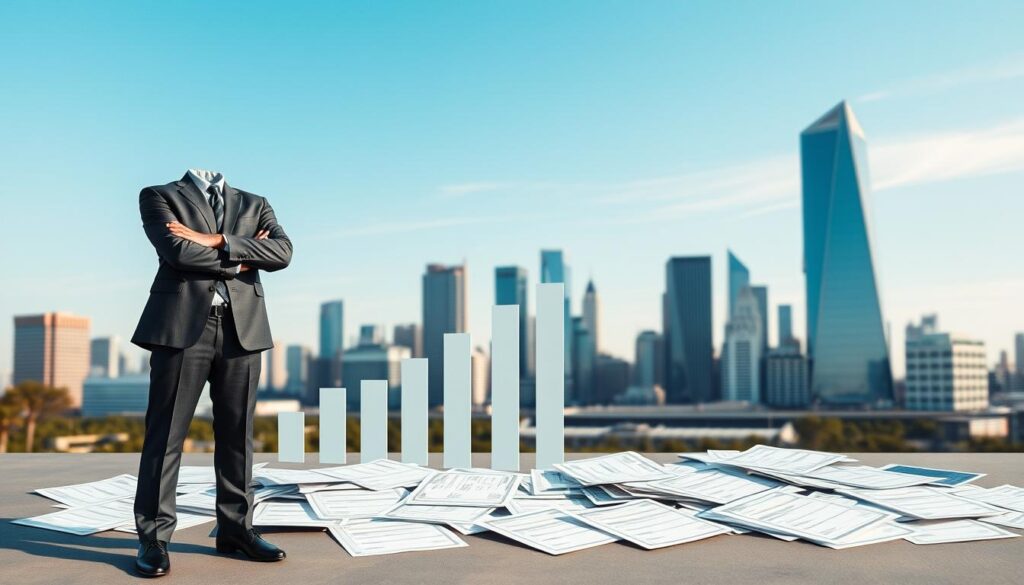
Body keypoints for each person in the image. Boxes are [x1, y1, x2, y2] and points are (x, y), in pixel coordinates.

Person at [130, 169, 293, 577]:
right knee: (165, 436)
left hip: (244, 329)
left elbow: (284, 253)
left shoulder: (255, 202)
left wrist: (216, 241)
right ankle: (153, 537)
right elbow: (177, 253)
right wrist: (242, 259)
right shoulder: (159, 195)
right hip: (183, 327)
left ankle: (236, 530)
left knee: (239, 435)